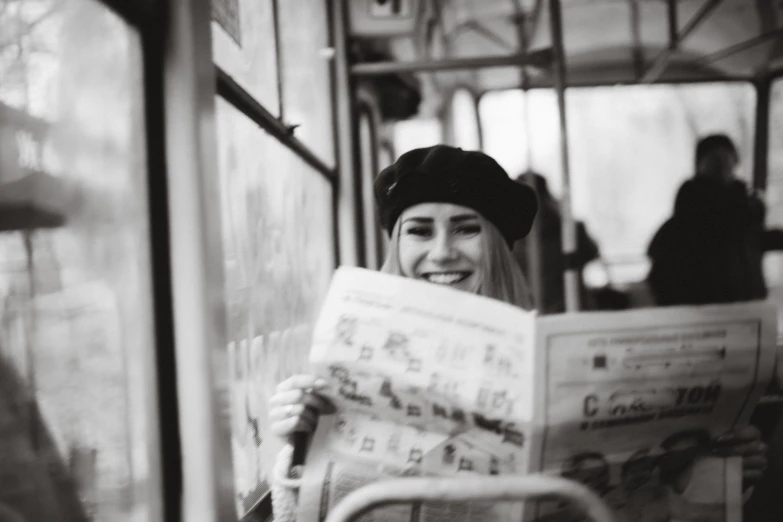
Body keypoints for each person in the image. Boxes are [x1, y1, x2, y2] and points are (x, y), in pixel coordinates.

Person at [267, 145, 767, 520]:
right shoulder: (348, 358)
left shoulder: (552, 355)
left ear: (499, 248)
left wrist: (720, 472)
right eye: (419, 230)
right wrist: (297, 444)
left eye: (466, 229)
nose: (441, 252)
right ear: (397, 246)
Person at [647, 134, 783, 306]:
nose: (722, 165)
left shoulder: (744, 215)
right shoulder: (687, 221)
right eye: (715, 159)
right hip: (708, 319)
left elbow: (754, 241)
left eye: (726, 159)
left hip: (747, 313)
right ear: (700, 165)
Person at [512, 172, 601, 313]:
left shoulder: (511, 235)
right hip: (571, 307)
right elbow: (593, 252)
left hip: (527, 310)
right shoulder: (571, 229)